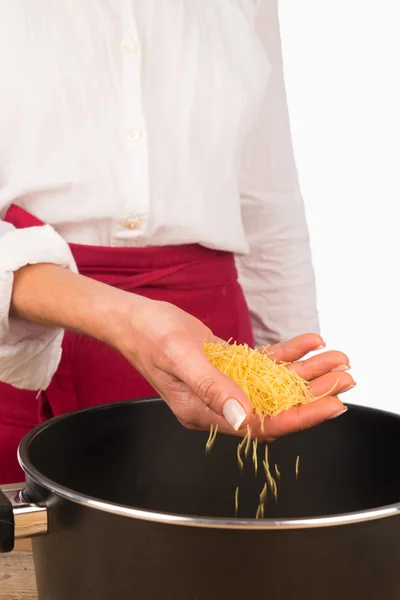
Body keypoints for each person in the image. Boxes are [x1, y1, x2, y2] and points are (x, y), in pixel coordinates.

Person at [0, 0, 354, 484]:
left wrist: (298, 401)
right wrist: (125, 317)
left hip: (211, 346)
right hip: (23, 345)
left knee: (224, 545)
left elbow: (266, 204)